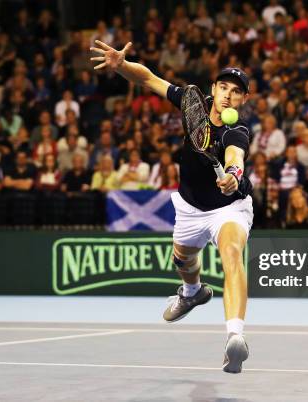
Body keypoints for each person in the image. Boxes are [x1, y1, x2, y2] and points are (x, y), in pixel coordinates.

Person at [91, 40, 253, 373]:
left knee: (232, 255)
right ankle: (192, 292)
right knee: (182, 257)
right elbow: (149, 79)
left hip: (229, 207)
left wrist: (234, 175)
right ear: (214, 88)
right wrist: (121, 64)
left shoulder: (237, 131)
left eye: (236, 91)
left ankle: (235, 337)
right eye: (223, 86)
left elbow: (237, 157)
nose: (227, 94)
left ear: (243, 100)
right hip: (191, 208)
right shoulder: (194, 103)